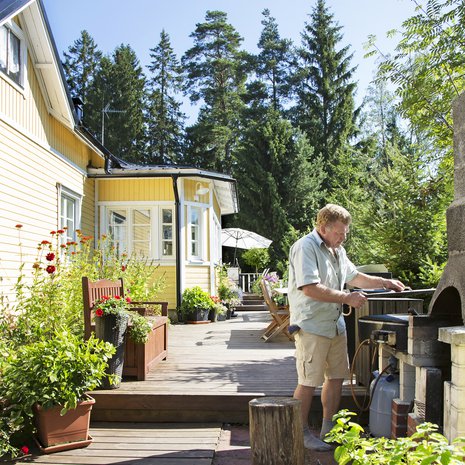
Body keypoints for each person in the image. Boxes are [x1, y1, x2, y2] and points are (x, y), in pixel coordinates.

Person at [287, 203, 405, 451]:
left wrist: (386, 282)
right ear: (323, 227)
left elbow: (355, 277)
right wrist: (346, 298)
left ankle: (327, 429)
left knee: (337, 378)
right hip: (311, 325)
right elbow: (309, 288)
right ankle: (299, 434)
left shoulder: (337, 250)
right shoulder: (304, 247)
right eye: (339, 233)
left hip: (335, 326)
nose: (343, 238)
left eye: (345, 234)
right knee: (308, 381)